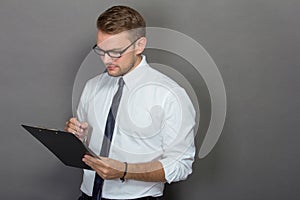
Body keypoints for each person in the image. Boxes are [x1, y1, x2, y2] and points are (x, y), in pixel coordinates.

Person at [65, 5, 196, 200]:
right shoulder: (92, 86)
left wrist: (124, 171)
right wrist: (78, 135)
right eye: (101, 51)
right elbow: (85, 145)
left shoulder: (170, 95)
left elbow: (181, 165)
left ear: (139, 45)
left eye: (116, 52)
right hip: (87, 195)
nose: (106, 60)